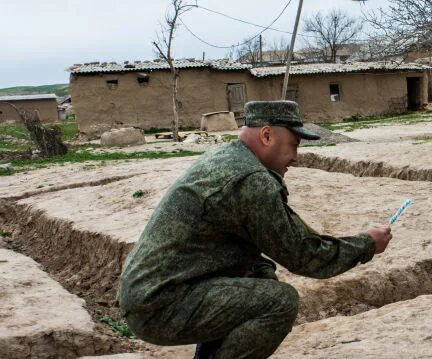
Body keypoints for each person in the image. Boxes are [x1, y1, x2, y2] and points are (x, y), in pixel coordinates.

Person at [117, 100, 393, 359]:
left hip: (151, 293)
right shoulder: (252, 180)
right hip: (160, 304)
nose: (295, 157)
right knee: (279, 302)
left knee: (260, 275)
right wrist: (368, 243)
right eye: (294, 145)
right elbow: (304, 255)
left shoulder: (228, 158)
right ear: (266, 136)